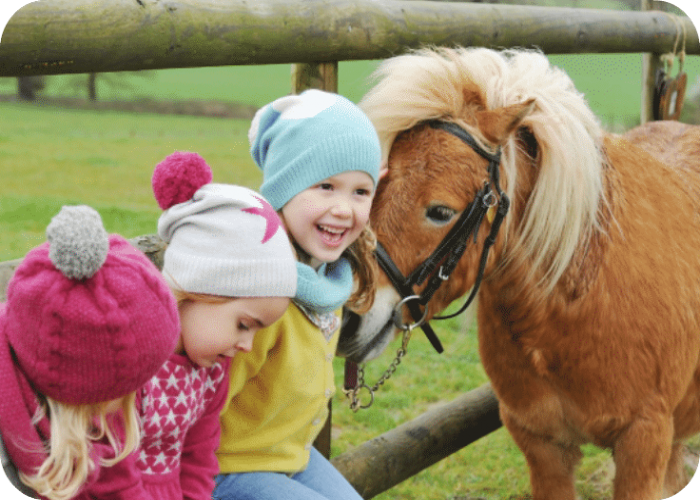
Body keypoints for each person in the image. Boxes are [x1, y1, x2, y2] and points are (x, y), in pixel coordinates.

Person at [213, 89, 381, 500]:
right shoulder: (262, 292)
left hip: (291, 457)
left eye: (361, 191)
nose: (345, 208)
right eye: (326, 186)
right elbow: (207, 404)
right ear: (283, 189)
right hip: (226, 468)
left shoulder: (328, 278)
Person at [114, 151, 297, 500]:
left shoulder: (211, 373)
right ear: (199, 288)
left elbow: (198, 458)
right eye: (244, 324)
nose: (247, 345)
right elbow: (106, 460)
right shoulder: (133, 361)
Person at [0, 205, 180, 500]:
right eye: (127, 390)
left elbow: (121, 485)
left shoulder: (92, 411)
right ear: (87, 392)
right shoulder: (12, 449)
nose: (138, 395)